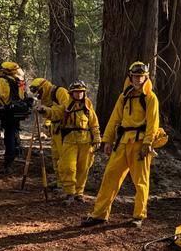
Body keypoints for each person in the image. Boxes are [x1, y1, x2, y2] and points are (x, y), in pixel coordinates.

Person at [81, 61, 167, 228]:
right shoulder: (124, 96)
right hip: (122, 143)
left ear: (146, 77)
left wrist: (147, 144)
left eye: (141, 76)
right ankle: (99, 215)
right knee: (109, 177)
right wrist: (108, 140)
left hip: (140, 144)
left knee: (141, 182)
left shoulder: (150, 98)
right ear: (130, 77)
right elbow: (115, 118)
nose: (138, 79)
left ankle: (138, 216)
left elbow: (153, 123)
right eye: (135, 76)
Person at [38, 80, 101, 205]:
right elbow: (55, 113)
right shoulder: (66, 105)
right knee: (68, 167)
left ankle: (79, 193)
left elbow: (94, 124)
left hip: (86, 141)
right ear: (71, 93)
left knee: (83, 168)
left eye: (81, 92)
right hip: (69, 140)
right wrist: (44, 110)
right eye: (76, 92)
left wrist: (97, 139)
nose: (78, 94)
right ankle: (70, 193)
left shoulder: (88, 105)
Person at [29, 77, 70, 190]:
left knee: (64, 158)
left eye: (39, 92)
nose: (39, 95)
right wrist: (46, 123)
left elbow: (67, 110)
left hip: (64, 130)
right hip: (54, 129)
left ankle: (67, 184)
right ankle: (59, 182)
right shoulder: (46, 97)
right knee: (55, 157)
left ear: (44, 87)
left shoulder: (60, 92)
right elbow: (49, 111)